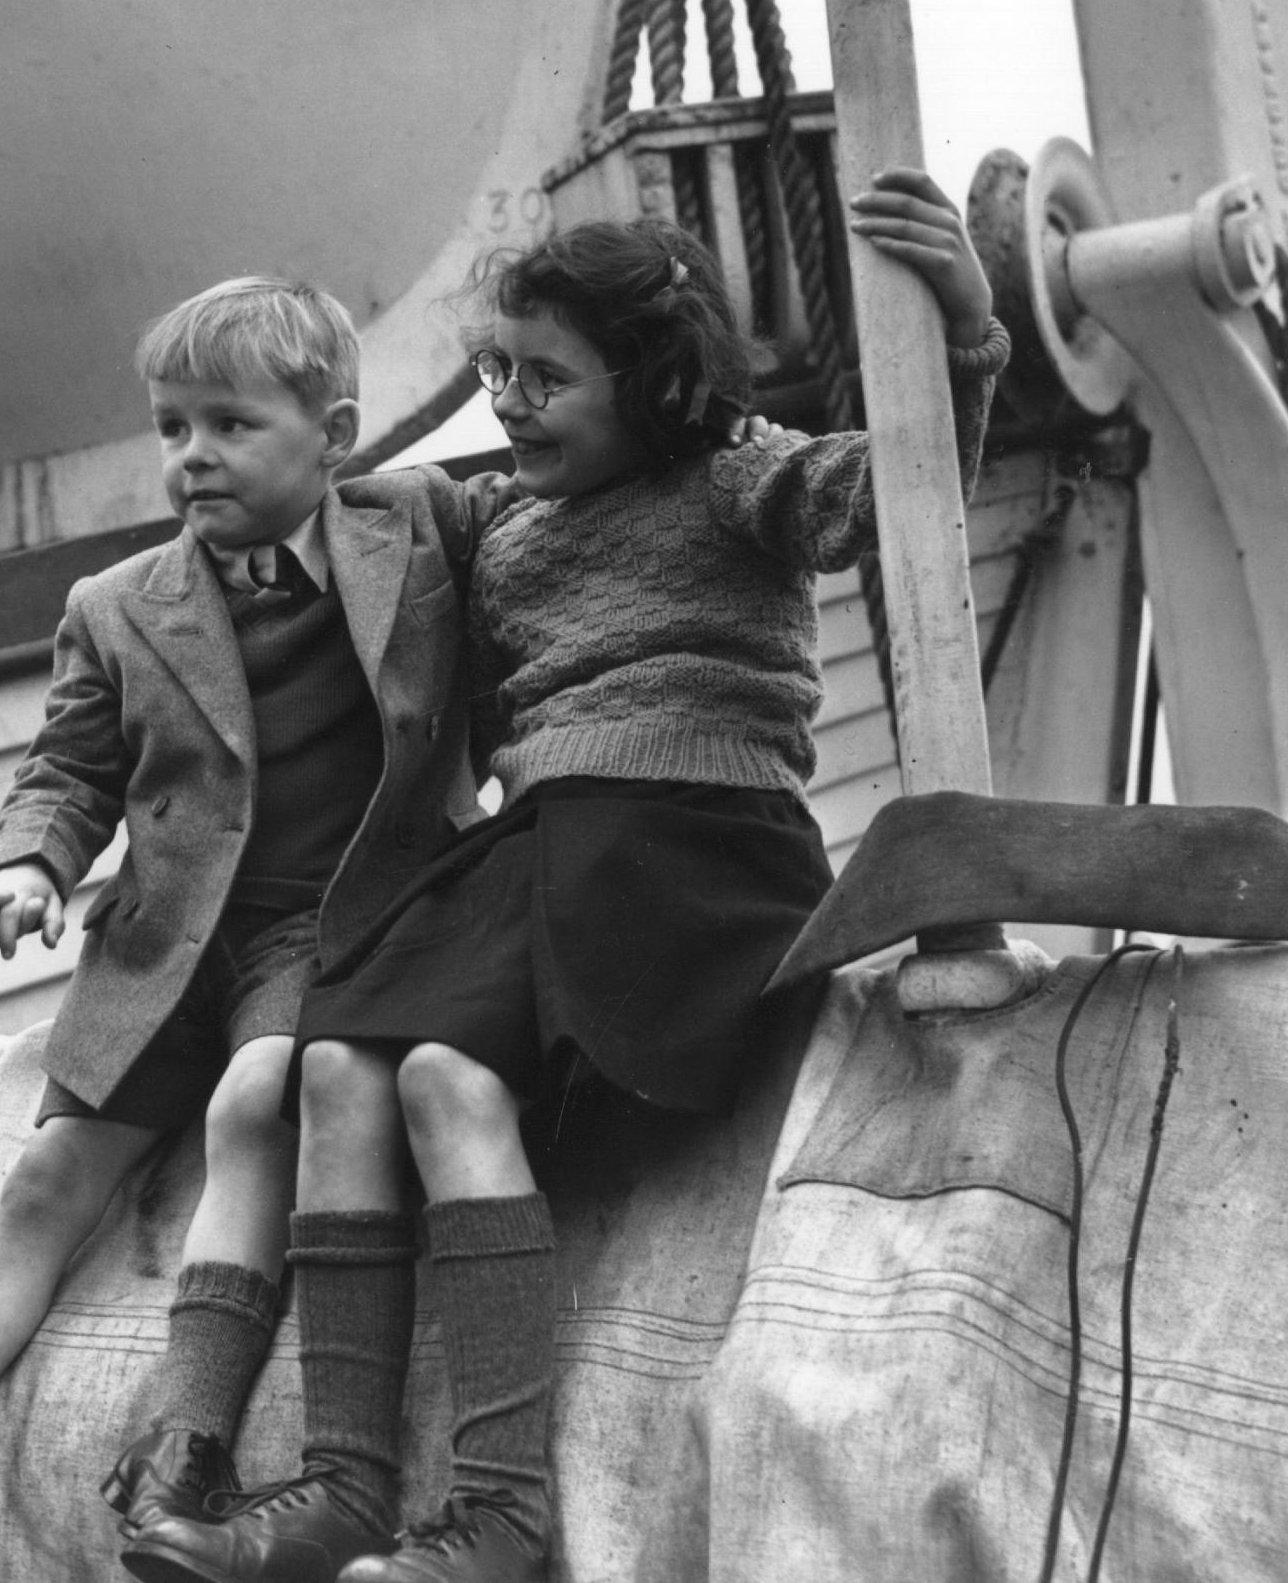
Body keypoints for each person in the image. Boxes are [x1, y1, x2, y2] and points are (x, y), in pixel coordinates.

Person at [125, 172, 1008, 1583]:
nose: (511, 406)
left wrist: (965, 331)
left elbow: (894, 497)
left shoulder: (734, 474)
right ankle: (346, 1490)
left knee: (432, 1077)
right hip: (542, 845)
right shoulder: (499, 530)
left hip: (695, 852)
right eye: (496, 374)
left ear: (652, 383)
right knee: (353, 1071)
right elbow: (345, 582)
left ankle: (495, 1516)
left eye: (547, 379)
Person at [0, 278, 509, 1571]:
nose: (191, 456)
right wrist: (32, 870)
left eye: (229, 423)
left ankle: (196, 1443)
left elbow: (573, 532)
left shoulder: (427, 527)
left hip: (334, 933)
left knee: (253, 1105)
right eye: (170, 427)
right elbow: (68, 773)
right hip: (164, 945)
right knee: (45, 1184)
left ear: (335, 431)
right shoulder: (117, 605)